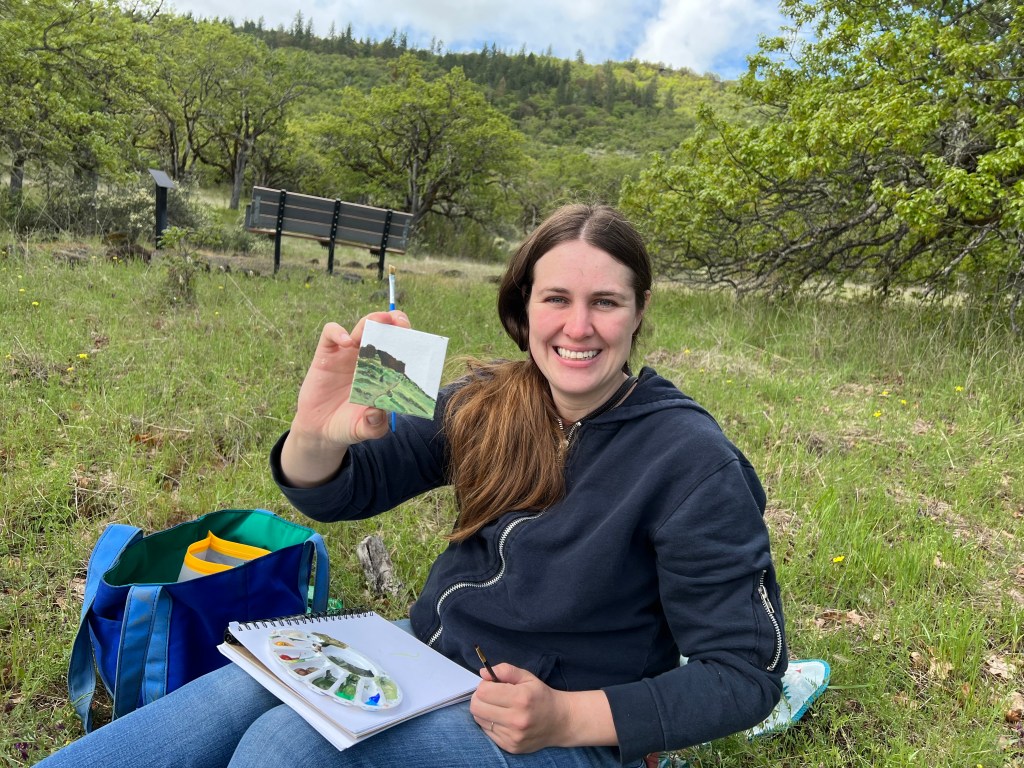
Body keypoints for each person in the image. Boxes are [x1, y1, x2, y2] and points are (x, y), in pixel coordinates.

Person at [37, 204, 786, 768]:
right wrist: (316, 433)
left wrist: (567, 719)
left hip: (556, 727)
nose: (578, 327)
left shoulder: (693, 461)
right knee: (231, 691)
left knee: (283, 749)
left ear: (639, 312)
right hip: (423, 657)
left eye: (606, 302)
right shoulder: (490, 399)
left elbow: (744, 677)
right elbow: (344, 492)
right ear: (525, 307)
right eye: (556, 298)